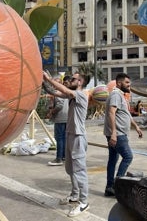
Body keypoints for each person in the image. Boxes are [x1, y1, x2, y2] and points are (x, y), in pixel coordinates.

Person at [42, 71, 90, 218]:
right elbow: (54, 92)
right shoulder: (71, 96)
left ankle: (84, 202)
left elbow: (62, 90)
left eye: (74, 79)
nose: (69, 80)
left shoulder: (81, 95)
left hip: (78, 137)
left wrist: (49, 78)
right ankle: (74, 195)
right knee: (70, 169)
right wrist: (42, 81)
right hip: (70, 135)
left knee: (79, 170)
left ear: (80, 82)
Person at [103, 73, 143, 197]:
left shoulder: (121, 96)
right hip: (118, 134)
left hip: (119, 133)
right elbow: (111, 113)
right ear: (119, 83)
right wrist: (114, 133)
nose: (129, 85)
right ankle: (117, 186)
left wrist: (136, 126)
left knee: (113, 160)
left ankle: (110, 188)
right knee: (128, 157)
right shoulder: (115, 94)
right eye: (127, 83)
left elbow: (126, 114)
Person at [47, 75, 71, 166]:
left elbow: (59, 105)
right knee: (63, 138)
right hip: (66, 117)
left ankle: (59, 158)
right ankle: (64, 156)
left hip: (61, 118)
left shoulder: (60, 91)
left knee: (59, 138)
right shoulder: (66, 90)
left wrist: (52, 112)